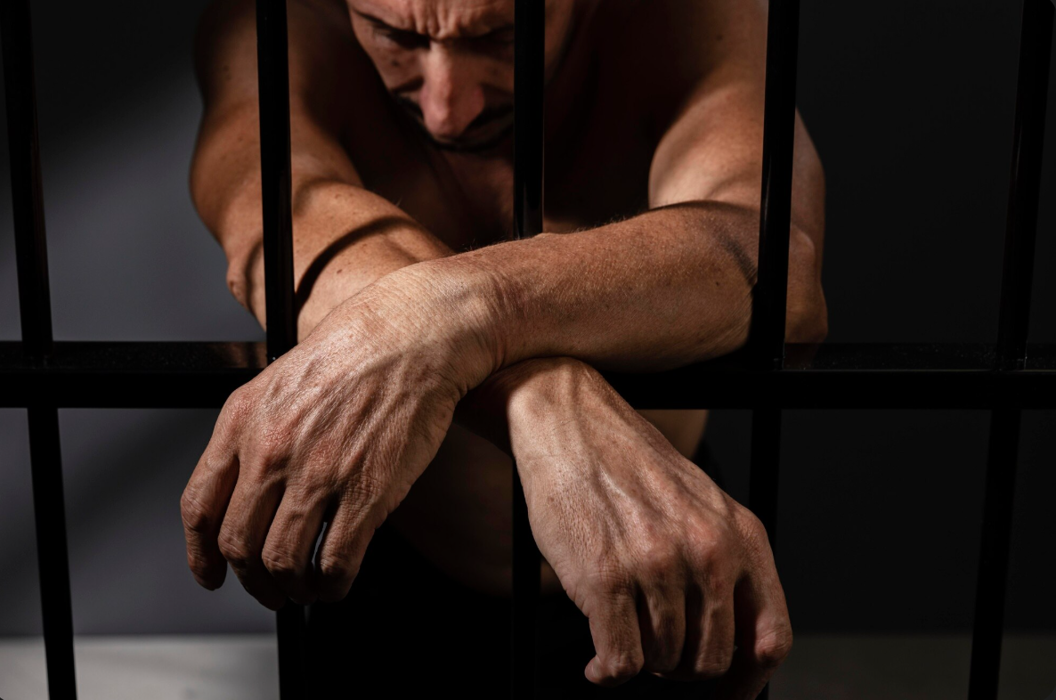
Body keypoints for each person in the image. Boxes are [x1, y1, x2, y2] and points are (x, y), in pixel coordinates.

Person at [179, 0, 827, 695]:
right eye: (393, 35)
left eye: (500, 36)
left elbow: (773, 263)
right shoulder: (280, 23)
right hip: (386, 582)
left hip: (662, 552)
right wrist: (553, 403)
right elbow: (272, 218)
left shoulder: (684, 17)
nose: (447, 109)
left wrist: (451, 313)